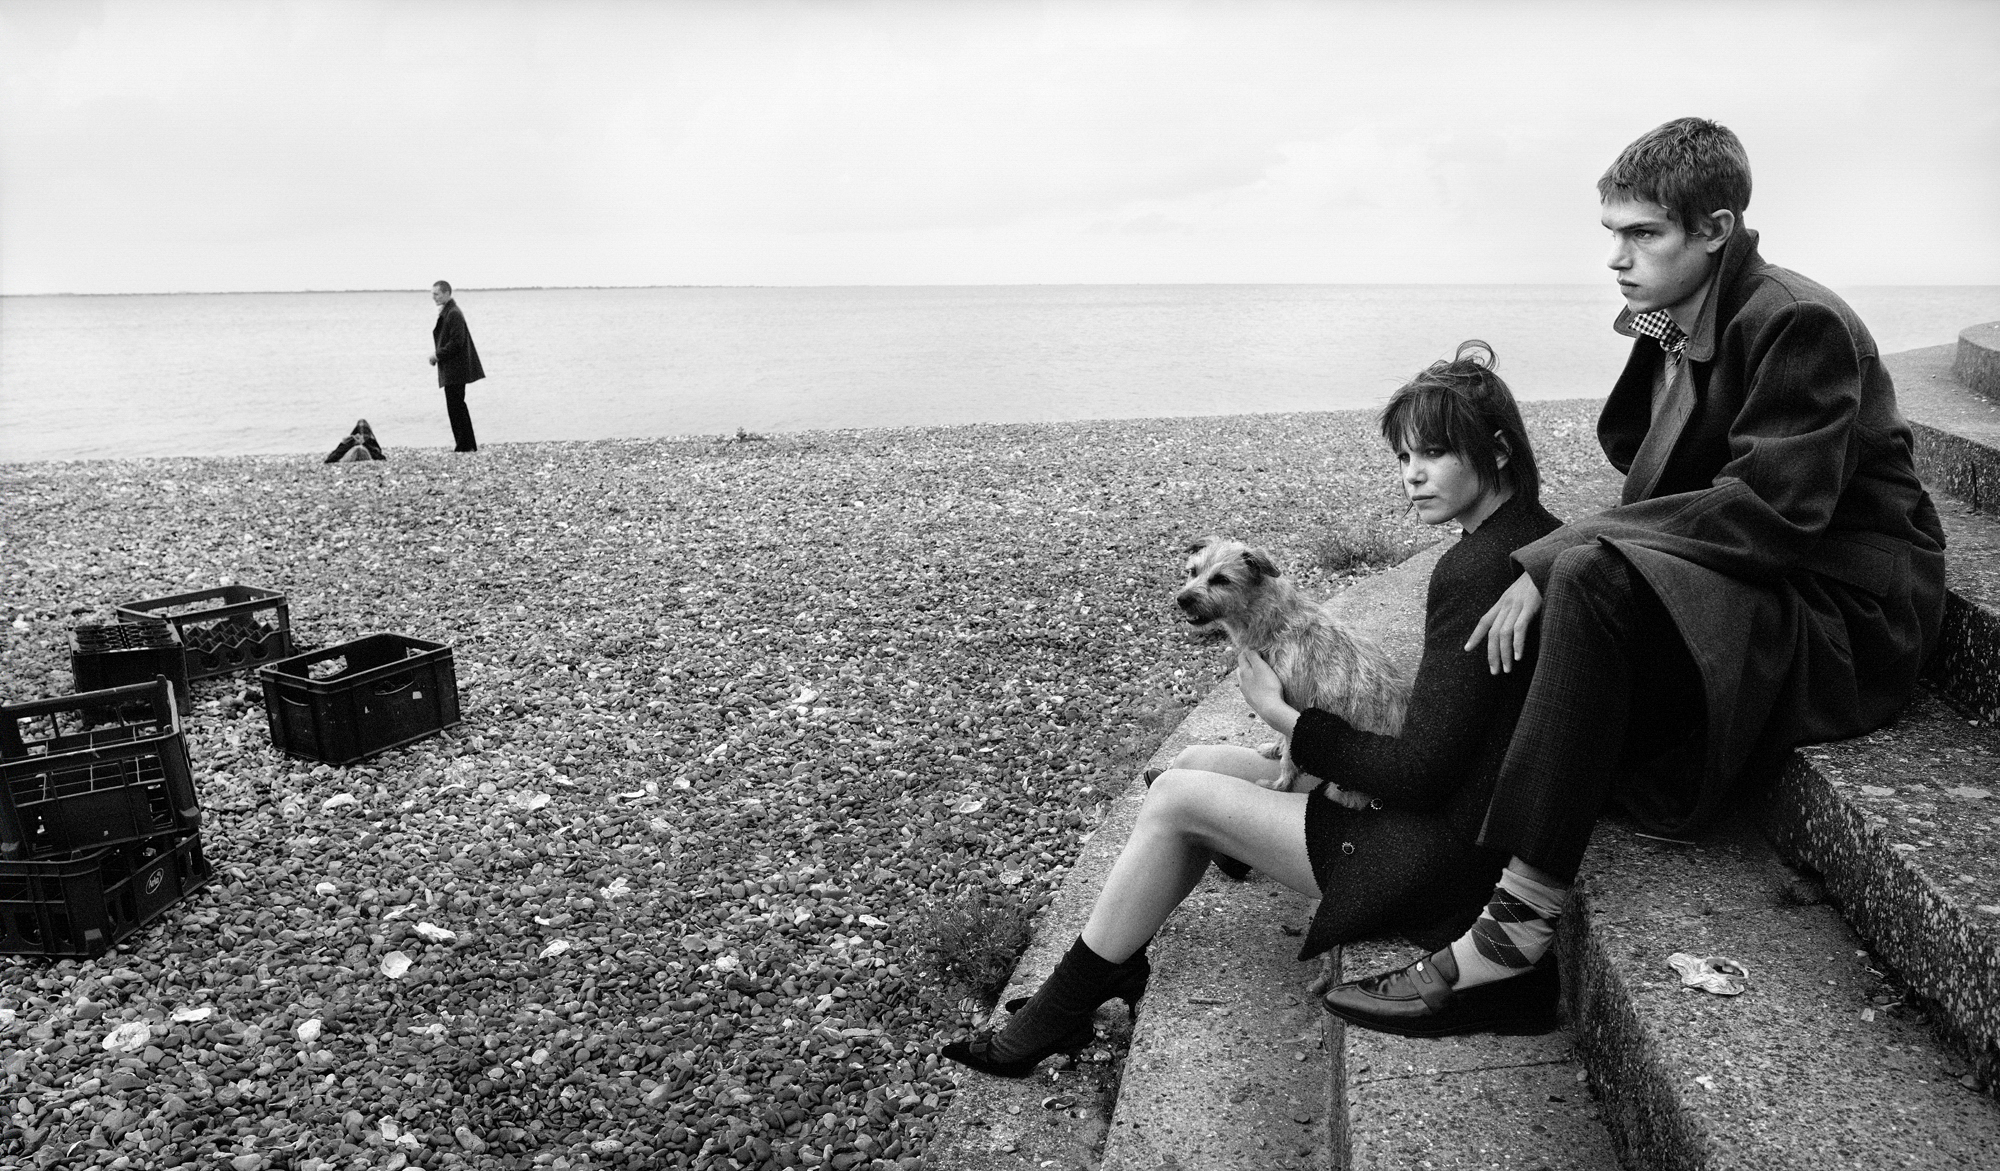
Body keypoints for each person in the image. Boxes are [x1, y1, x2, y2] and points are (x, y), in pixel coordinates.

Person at [1322, 117, 1947, 1038]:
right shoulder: (1677, 317)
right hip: (1760, 582)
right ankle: (1456, 846)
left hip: (1844, 612)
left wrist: (1558, 556)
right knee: (1566, 576)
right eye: (1612, 231)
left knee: (1585, 578)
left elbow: (1767, 512)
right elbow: (1666, 488)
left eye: (1644, 233)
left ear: (1717, 229)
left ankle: (1514, 933)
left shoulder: (1795, 321)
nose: (1617, 257)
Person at [942, 341, 1565, 1077]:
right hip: (1451, 820)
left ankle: (1064, 1005)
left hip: (1429, 854)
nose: (1413, 475)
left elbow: (1423, 770)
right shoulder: (1535, 538)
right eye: (1403, 457)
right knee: (1199, 761)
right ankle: (1120, 955)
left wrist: (1286, 718)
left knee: (1176, 797)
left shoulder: (1477, 568)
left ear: (1495, 449)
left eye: (1434, 454)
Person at [428, 280, 484, 452]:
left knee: (456, 406)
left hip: (456, 368)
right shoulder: (449, 311)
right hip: (454, 367)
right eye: (433, 294)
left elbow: (457, 342)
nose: (433, 297)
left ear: (446, 293)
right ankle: (465, 444)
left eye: (436, 294)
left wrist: (437, 355)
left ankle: (465, 444)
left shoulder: (453, 313)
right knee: (456, 406)